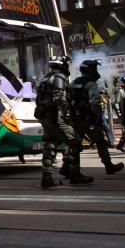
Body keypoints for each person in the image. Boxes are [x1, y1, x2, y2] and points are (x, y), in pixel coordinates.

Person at [66, 60, 125, 182]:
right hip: (88, 118)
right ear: (90, 70)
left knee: (75, 143)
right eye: (94, 68)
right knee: (99, 142)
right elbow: (94, 103)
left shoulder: (74, 83)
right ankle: (106, 167)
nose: (96, 71)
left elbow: (68, 100)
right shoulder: (91, 84)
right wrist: (96, 118)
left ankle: (67, 168)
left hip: (76, 118)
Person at [34, 56, 79, 188]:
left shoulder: (45, 78)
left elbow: (38, 99)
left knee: (50, 144)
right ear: (61, 65)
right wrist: (67, 115)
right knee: (74, 141)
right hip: (55, 116)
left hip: (44, 116)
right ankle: (74, 173)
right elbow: (59, 98)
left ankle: (47, 177)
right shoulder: (59, 77)